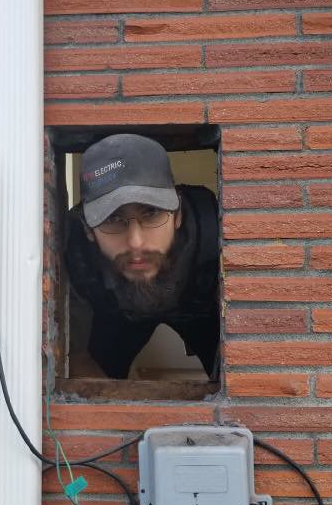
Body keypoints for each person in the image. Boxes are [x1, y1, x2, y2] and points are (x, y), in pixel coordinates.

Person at [64, 133, 219, 380]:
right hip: (119, 313)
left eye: (152, 213)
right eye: (113, 219)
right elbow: (76, 359)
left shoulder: (214, 229)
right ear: (87, 228)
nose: (135, 242)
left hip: (199, 307)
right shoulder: (75, 252)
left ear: (178, 214)